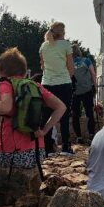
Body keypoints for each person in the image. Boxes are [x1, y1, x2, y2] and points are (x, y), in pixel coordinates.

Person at [0, 48, 66, 169]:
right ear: (24, 71)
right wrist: (44, 131)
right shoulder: (35, 86)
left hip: (11, 156)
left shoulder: (6, 83)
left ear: (2, 71)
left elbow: (6, 107)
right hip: (36, 155)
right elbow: (61, 107)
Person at [39, 22, 75, 156]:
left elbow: (42, 66)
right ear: (62, 32)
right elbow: (71, 67)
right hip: (63, 83)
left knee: (47, 114)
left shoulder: (43, 46)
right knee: (64, 115)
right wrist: (67, 77)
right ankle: (66, 146)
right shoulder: (66, 45)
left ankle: (48, 147)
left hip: (47, 83)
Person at [70, 45, 97, 144]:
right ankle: (91, 135)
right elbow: (93, 74)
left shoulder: (68, 63)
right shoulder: (86, 60)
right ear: (79, 52)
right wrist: (95, 87)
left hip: (74, 91)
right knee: (89, 113)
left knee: (75, 115)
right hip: (87, 89)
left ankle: (79, 137)